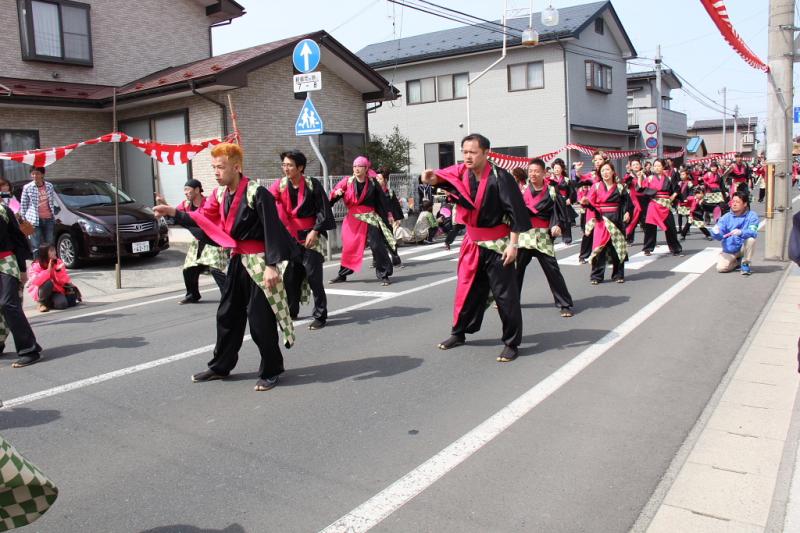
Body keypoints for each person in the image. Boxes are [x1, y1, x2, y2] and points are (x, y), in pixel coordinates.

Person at [153, 143, 298, 392]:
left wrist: (272, 265)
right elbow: (202, 217)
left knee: (260, 320)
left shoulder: (256, 192)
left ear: (236, 167)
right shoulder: (219, 195)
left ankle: (272, 369)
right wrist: (174, 212)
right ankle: (221, 365)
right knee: (227, 314)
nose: (216, 172)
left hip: (259, 262)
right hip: (236, 260)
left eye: (220, 167)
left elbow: (272, 229)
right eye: (214, 168)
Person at [421, 133, 530, 362]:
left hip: (498, 243)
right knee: (467, 290)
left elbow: (516, 213)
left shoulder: (502, 178)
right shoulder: (461, 172)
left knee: (505, 296)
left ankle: (511, 343)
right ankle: (459, 333)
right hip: (472, 242)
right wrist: (429, 179)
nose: (467, 156)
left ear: (486, 153)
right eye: (465, 152)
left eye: (473, 152)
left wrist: (513, 245)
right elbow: (441, 178)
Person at [269, 150, 335, 330]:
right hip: (289, 238)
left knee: (314, 278)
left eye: (290, 165)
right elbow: (266, 202)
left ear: (300, 167)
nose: (286, 168)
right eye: (284, 165)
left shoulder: (312, 185)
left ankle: (320, 315)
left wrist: (315, 231)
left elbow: (323, 209)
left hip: (310, 237)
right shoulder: (280, 185)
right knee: (290, 278)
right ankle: (292, 311)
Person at [516, 159, 574, 317]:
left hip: (543, 236)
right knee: (515, 269)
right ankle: (510, 301)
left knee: (553, 271)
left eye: (536, 171)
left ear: (543, 173)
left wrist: (557, 226)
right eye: (530, 171)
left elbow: (560, 214)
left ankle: (564, 304)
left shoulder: (552, 191)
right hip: (525, 235)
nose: (533, 174)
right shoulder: (522, 190)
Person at [159, 180, 228, 305]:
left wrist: (224, 240)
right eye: (184, 190)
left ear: (197, 190)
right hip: (198, 242)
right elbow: (176, 215)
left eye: (188, 189)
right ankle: (192, 295)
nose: (185, 192)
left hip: (215, 241)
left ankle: (229, 296)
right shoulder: (185, 205)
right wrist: (165, 205)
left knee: (215, 269)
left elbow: (222, 219)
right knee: (189, 269)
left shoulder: (209, 202)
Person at [329, 156, 395, 286]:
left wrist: (388, 214)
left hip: (370, 216)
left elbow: (382, 200)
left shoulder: (372, 182)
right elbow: (332, 197)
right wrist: (335, 195)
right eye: (354, 166)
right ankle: (343, 274)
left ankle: (384, 274)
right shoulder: (347, 182)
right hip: (353, 218)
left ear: (366, 168)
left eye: (359, 166)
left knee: (377, 245)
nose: (356, 168)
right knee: (349, 247)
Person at [0, 191, 42, 367]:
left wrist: (23, 269)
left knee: (8, 304)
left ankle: (29, 349)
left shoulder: (3, 210)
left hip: (6, 261)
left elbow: (18, 239)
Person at [581, 161, 632, 284]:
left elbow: (627, 203)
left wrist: (627, 212)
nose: (605, 172)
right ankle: (596, 276)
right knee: (600, 248)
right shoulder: (596, 186)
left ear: (613, 172)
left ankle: (618, 274)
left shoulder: (620, 187)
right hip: (601, 220)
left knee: (617, 248)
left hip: (617, 220)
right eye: (603, 170)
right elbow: (590, 203)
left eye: (608, 170)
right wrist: (585, 202)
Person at [640, 158, 683, 257]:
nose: (657, 168)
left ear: (663, 167)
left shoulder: (669, 178)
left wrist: (672, 197)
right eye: (655, 166)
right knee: (650, 227)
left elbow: (676, 189)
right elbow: (642, 189)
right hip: (653, 204)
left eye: (659, 166)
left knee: (671, 227)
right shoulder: (649, 178)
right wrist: (640, 178)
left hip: (665, 204)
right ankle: (648, 248)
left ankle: (675, 248)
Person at [710, 191, 759, 275]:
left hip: (743, 248)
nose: (734, 204)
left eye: (737, 202)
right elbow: (720, 237)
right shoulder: (726, 217)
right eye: (733, 201)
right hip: (730, 250)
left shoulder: (752, 215)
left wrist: (741, 232)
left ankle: (745, 263)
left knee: (751, 240)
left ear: (745, 204)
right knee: (721, 268)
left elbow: (753, 232)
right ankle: (736, 262)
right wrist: (716, 232)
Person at [27, 244, 76, 312]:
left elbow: (63, 281)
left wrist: (58, 271)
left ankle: (49, 302)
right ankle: (41, 303)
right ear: (44, 253)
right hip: (42, 290)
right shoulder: (35, 265)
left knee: (63, 304)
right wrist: (48, 271)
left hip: (56, 290)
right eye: (52, 251)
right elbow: (36, 282)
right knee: (48, 283)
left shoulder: (58, 262)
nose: (55, 252)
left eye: (54, 250)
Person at [19, 166, 56, 252]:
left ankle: (50, 263)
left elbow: (52, 201)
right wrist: (24, 220)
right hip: (34, 220)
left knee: (49, 242)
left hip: (49, 218)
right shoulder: (27, 187)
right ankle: (37, 263)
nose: (35, 176)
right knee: (36, 245)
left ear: (42, 174)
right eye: (33, 174)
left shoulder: (49, 186)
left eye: (37, 173)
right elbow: (24, 204)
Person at [622, 158, 646, 244]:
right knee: (631, 220)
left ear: (640, 165)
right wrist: (628, 173)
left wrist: (640, 177)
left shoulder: (645, 175)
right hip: (632, 200)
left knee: (645, 221)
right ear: (631, 167)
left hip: (643, 200)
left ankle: (648, 242)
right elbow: (625, 183)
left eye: (637, 164)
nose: (636, 166)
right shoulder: (629, 176)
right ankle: (629, 238)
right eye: (634, 165)